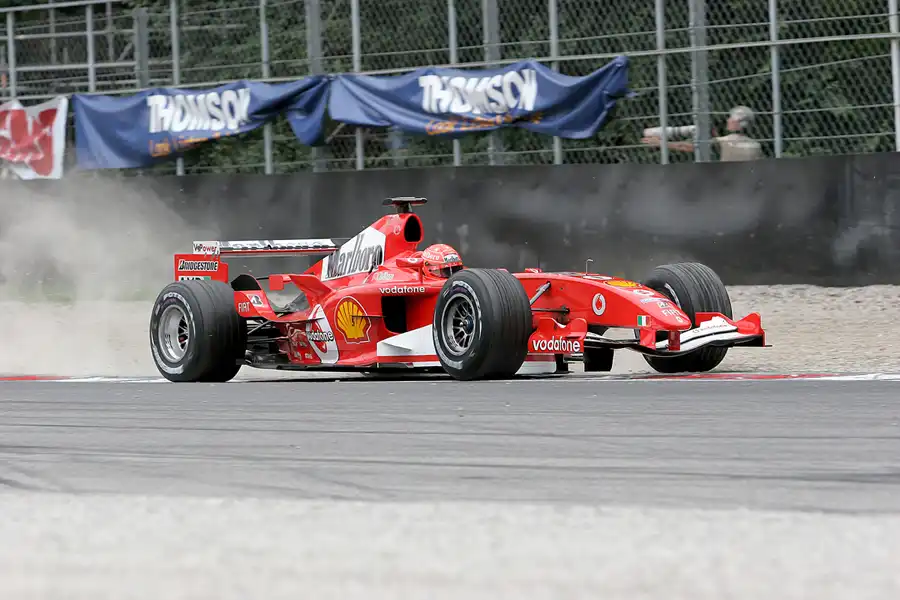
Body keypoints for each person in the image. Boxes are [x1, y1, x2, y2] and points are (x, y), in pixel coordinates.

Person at [641, 105, 762, 162]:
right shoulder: (756, 145)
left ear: (738, 123)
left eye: (731, 118)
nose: (728, 120)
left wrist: (661, 143)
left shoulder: (724, 142)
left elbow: (691, 146)